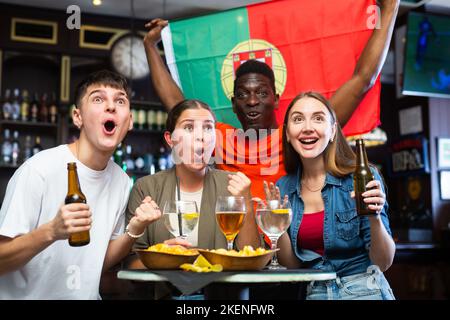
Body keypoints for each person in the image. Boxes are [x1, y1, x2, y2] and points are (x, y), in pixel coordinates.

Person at [142, 0, 399, 201]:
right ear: (233, 104)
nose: (252, 101)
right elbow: (177, 105)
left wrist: (389, 9)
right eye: (243, 95)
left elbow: (363, 79)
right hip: (235, 247)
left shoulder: (297, 136)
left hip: (285, 247)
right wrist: (151, 48)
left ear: (276, 99)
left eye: (262, 93)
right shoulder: (220, 138)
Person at [0, 70, 161, 299]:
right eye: (98, 99)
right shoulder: (38, 170)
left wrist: (134, 230)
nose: (111, 107)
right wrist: (51, 231)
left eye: (120, 100)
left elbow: (96, 262)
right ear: (78, 117)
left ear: (130, 121)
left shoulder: (122, 181)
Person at [125, 99, 261, 299]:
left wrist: (246, 203)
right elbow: (130, 265)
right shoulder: (146, 188)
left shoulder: (233, 186)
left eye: (208, 128)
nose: (200, 137)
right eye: (189, 127)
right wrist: (163, 258)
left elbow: (251, 258)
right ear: (170, 139)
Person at [268, 91, 395, 300]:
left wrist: (374, 217)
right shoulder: (284, 188)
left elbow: (384, 262)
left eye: (318, 118)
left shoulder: (360, 177)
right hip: (315, 292)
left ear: (333, 130)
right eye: (298, 119)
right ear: (288, 134)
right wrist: (278, 227)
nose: (308, 127)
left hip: (364, 289)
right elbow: (291, 266)